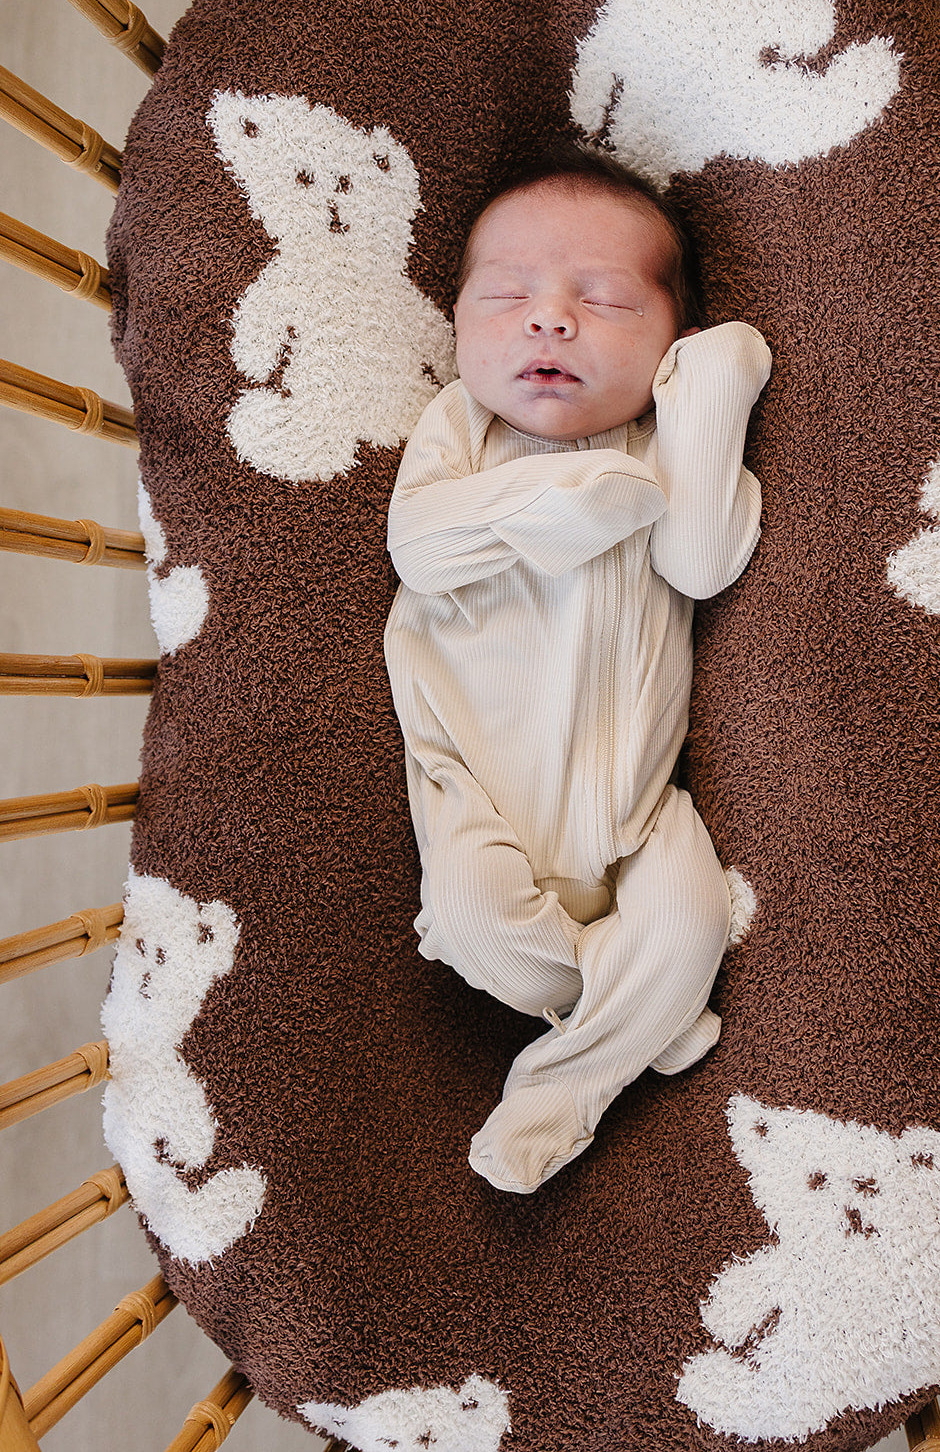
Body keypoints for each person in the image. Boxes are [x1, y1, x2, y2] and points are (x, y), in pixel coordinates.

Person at [383, 147, 771, 1193]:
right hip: (478, 794)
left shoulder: (657, 443)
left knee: (691, 922)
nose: (549, 319)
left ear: (669, 342)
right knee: (474, 926)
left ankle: (564, 1087)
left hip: (640, 811)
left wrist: (710, 392)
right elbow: (420, 548)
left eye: (603, 301)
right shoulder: (462, 427)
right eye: (507, 296)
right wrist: (560, 505)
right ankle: (635, 1014)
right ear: (456, 324)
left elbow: (700, 560)